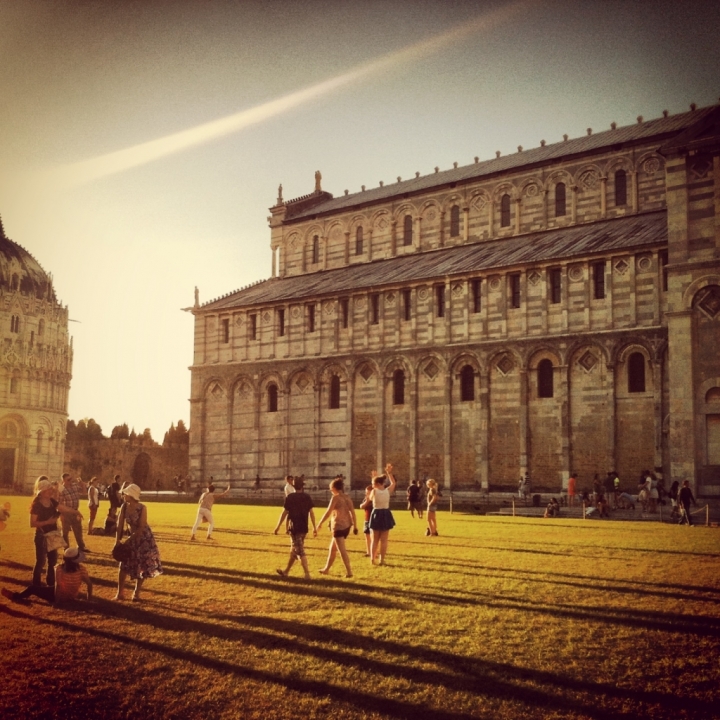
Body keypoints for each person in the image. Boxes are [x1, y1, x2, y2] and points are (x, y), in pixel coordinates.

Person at [27, 477, 82, 589]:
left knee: (52, 561)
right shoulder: (37, 504)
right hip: (41, 536)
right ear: (42, 492)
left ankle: (50, 584)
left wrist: (76, 511)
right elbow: (32, 523)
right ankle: (36, 585)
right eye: (48, 489)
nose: (51, 491)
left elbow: (63, 508)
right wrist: (48, 521)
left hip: (53, 534)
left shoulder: (52, 502)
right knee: (41, 562)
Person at [113, 484, 162, 601]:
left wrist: (128, 541)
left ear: (131, 495)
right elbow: (119, 525)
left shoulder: (142, 508)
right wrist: (117, 541)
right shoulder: (124, 506)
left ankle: (136, 594)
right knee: (123, 565)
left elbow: (141, 527)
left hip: (144, 539)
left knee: (142, 565)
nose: (123, 495)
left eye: (125, 493)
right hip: (131, 537)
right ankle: (120, 593)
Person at [2, 546, 93, 605]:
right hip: (72, 595)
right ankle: (17, 595)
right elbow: (89, 584)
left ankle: (15, 596)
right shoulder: (81, 569)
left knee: (32, 588)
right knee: (49, 587)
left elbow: (58, 586)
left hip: (60, 595)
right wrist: (89, 599)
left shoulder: (59, 568)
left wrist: (56, 602)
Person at [273, 475, 317, 579]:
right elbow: (312, 513)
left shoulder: (290, 497)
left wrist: (278, 526)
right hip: (304, 528)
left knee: (300, 551)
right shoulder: (307, 497)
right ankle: (286, 571)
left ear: (294, 486)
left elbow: (284, 513)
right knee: (295, 549)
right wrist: (314, 527)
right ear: (302, 486)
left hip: (294, 528)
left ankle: (307, 574)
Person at [317, 477, 358, 578]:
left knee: (341, 550)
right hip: (347, 525)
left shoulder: (335, 498)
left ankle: (349, 572)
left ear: (334, 488)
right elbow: (352, 512)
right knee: (332, 548)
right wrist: (355, 526)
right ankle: (326, 569)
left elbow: (328, 511)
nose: (331, 491)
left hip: (338, 526)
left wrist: (320, 523)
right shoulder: (347, 497)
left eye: (331, 489)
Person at [369, 463, 397, 565]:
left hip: (376, 513)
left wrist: (375, 478)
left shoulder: (374, 491)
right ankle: (382, 560)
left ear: (376, 484)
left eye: (373, 483)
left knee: (374, 539)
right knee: (384, 540)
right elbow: (393, 483)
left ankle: (372, 559)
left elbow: (370, 497)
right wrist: (389, 473)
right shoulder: (387, 491)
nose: (372, 485)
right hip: (385, 513)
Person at [60, 473, 90, 552]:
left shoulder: (74, 486)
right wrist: (61, 514)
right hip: (66, 512)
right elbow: (59, 503)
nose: (70, 481)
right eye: (68, 480)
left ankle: (81, 546)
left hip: (76, 512)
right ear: (63, 480)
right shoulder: (61, 489)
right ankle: (66, 548)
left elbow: (84, 492)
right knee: (65, 531)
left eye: (71, 479)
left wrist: (82, 484)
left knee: (78, 530)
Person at [359, 483, 374, 556]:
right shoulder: (366, 499)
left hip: (374, 520)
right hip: (367, 519)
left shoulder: (375, 499)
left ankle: (374, 552)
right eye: (366, 493)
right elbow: (361, 506)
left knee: (374, 537)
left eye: (368, 492)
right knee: (367, 536)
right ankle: (368, 552)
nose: (367, 494)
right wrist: (367, 501)